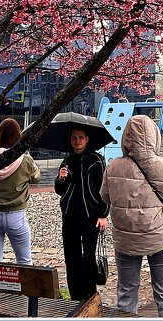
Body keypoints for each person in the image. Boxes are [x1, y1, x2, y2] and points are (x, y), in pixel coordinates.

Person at [100, 115, 163, 317]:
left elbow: (105, 196)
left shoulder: (113, 166)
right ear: (154, 136)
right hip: (160, 235)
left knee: (126, 292)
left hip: (126, 238)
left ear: (126, 137)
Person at [55, 126, 110, 301]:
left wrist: (103, 214)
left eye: (80, 138)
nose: (77, 141)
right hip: (70, 215)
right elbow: (60, 190)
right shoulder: (67, 161)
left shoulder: (96, 160)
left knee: (89, 255)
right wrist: (61, 178)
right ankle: (75, 295)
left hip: (90, 215)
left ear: (87, 139)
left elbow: (103, 187)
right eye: (74, 138)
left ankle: (89, 293)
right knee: (71, 256)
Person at [0, 118, 41, 264]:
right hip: (16, 215)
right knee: (25, 262)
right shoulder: (25, 160)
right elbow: (36, 178)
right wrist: (28, 156)